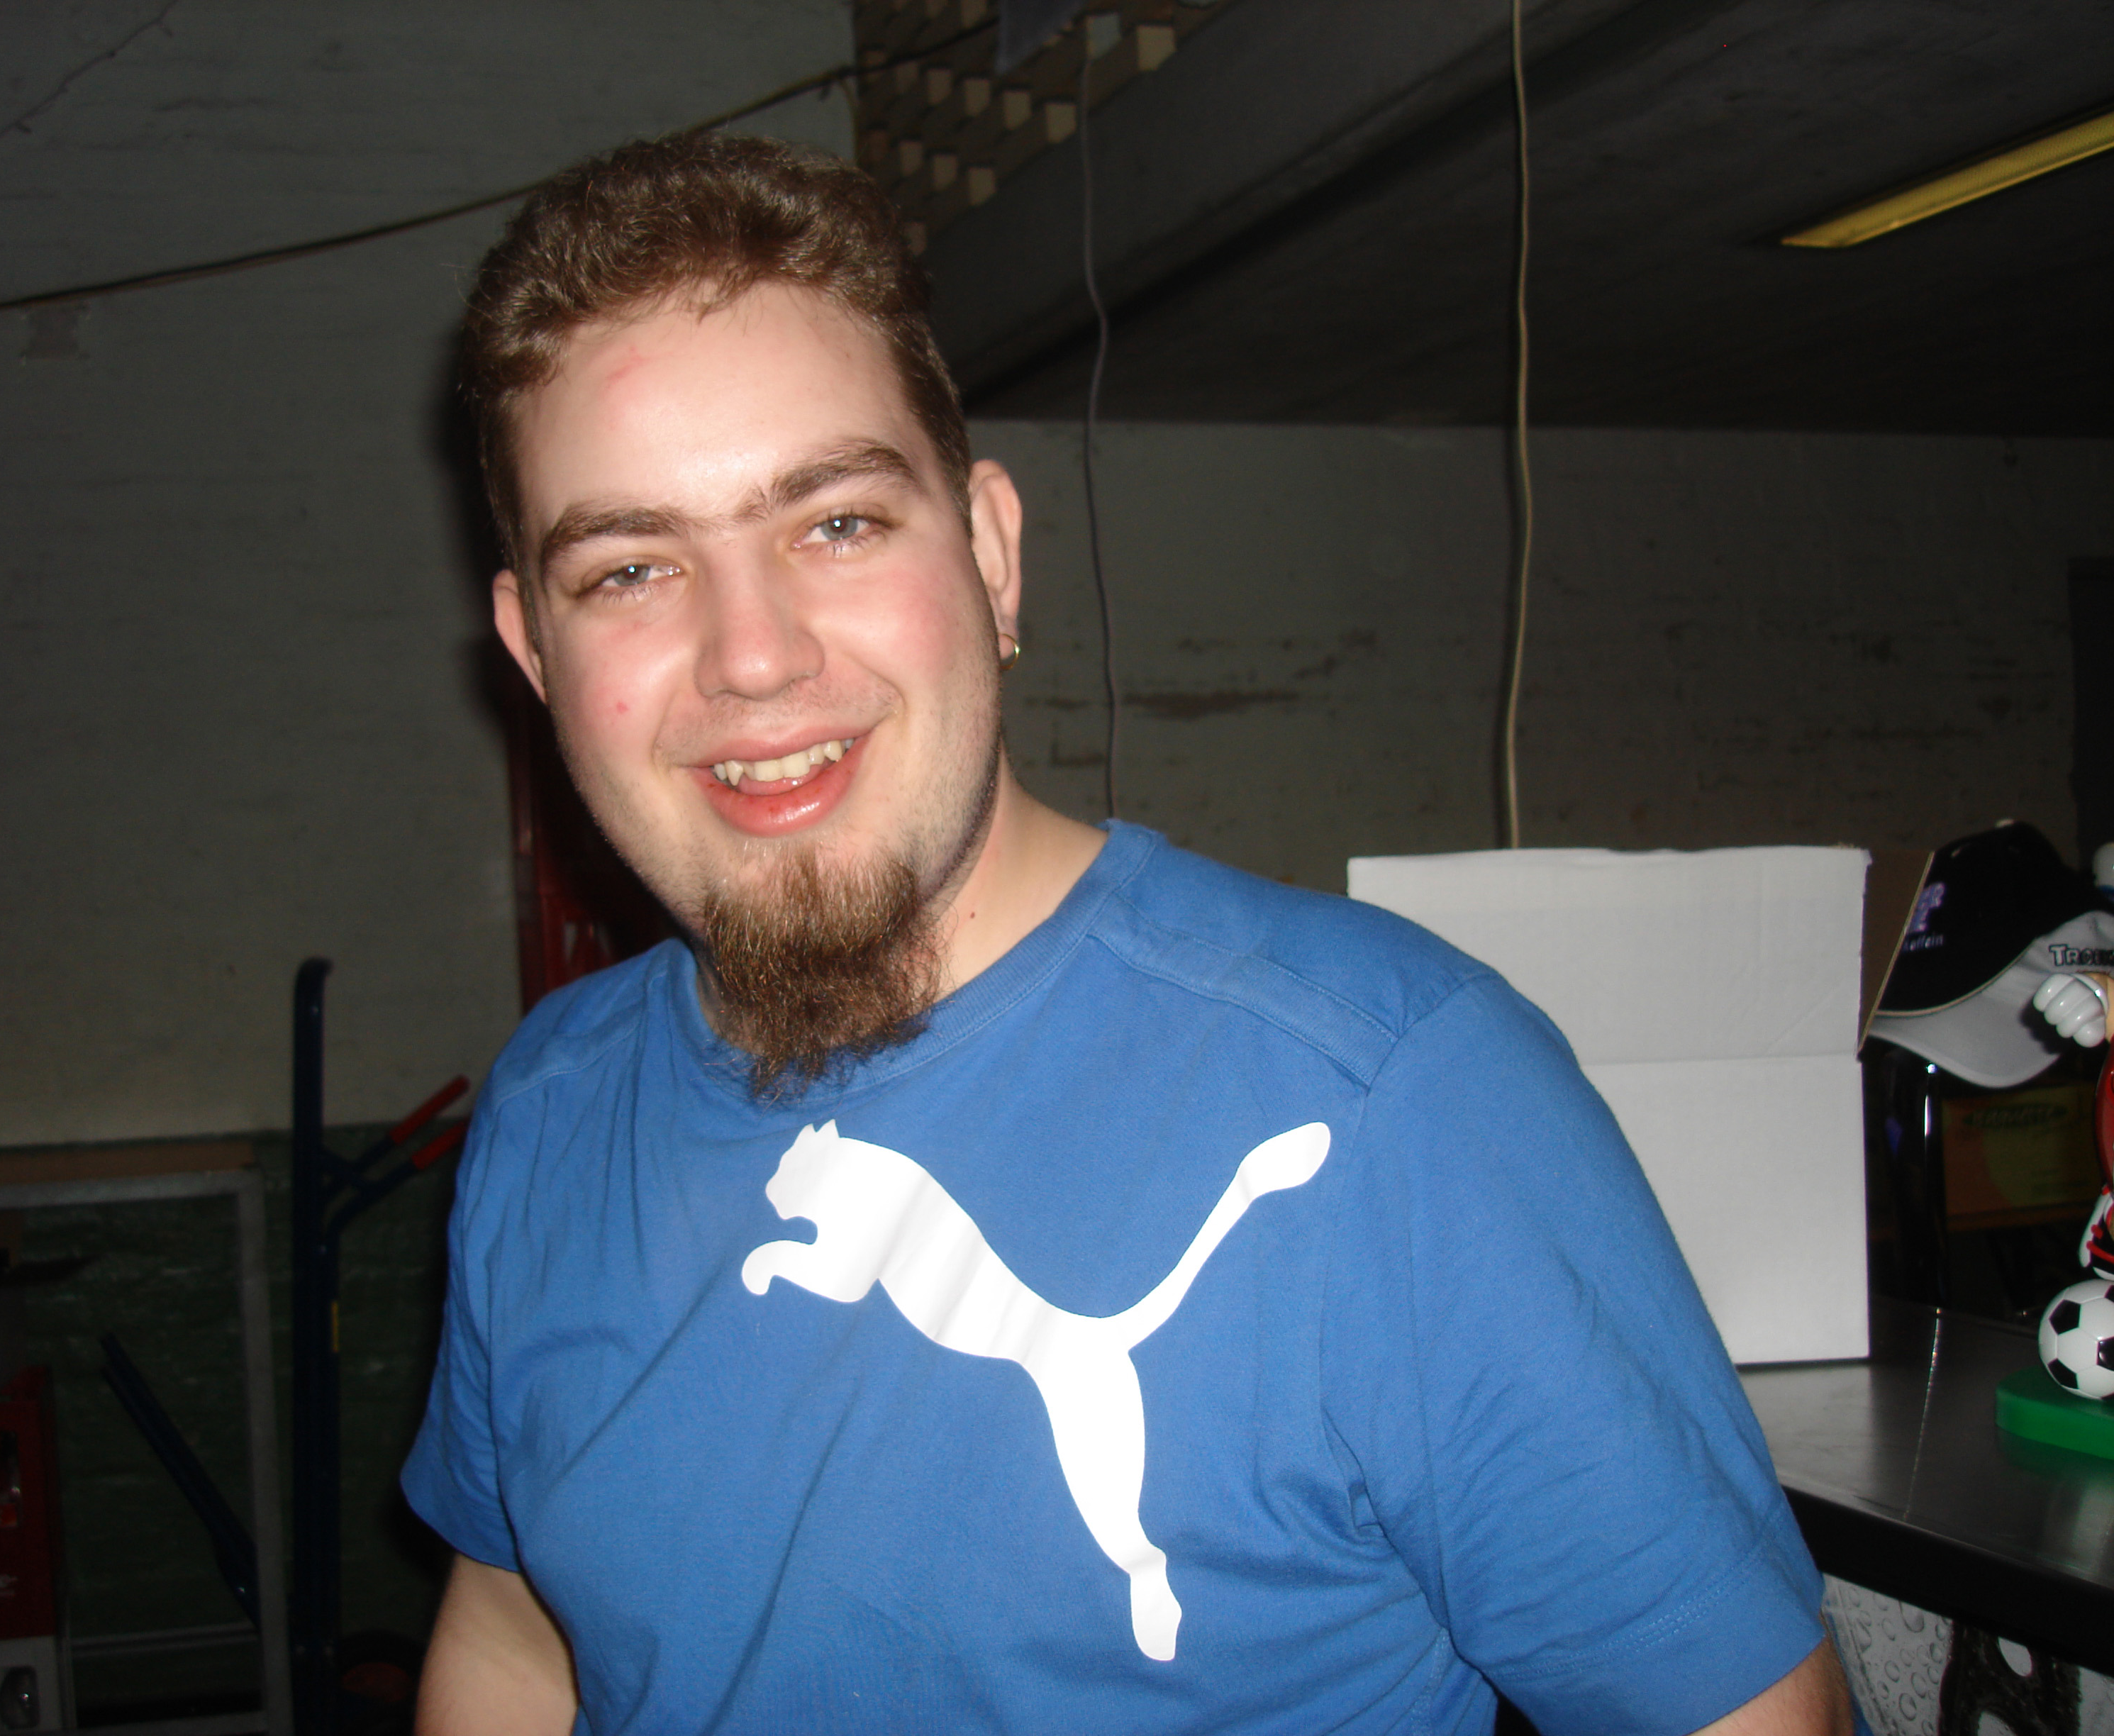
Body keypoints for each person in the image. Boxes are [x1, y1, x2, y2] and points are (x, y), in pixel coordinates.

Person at [404, 130, 1852, 1736]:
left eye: (836, 524)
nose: (751, 656)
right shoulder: (544, 1112)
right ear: (534, 653)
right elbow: (518, 1644)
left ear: (991, 555)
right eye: (631, 568)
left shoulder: (1401, 1100)